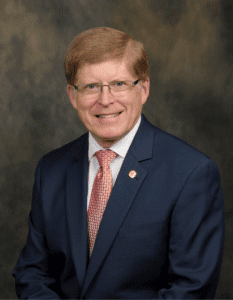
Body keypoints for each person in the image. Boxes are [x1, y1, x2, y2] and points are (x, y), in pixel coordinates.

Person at [12, 27, 225, 299]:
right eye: (91, 87)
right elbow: (32, 273)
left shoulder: (191, 173)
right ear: (72, 95)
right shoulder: (51, 169)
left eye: (119, 84)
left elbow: (190, 289)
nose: (105, 99)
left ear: (144, 89)